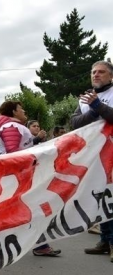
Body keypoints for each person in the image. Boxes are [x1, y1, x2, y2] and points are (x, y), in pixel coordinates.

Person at [0, 101, 61, 257]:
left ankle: (38, 245)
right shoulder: (11, 127)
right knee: (29, 209)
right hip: (17, 177)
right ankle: (38, 245)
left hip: (20, 176)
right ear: (13, 111)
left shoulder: (15, 126)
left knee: (25, 210)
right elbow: (14, 154)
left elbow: (22, 150)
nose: (24, 110)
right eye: (20, 109)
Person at [71, 60, 113, 262]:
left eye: (101, 72)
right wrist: (93, 110)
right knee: (101, 196)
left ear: (110, 76)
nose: (96, 75)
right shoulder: (85, 99)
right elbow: (75, 123)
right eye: (93, 72)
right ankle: (105, 240)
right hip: (94, 155)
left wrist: (98, 106)